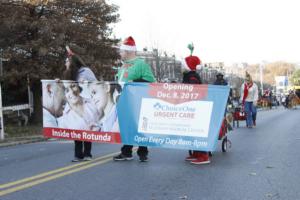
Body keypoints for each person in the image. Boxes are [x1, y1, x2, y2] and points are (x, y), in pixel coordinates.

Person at [113, 36, 156, 162]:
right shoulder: (123, 66)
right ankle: (127, 152)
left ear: (129, 51)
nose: (120, 54)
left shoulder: (141, 64)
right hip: (124, 101)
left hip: (137, 101)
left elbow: (151, 81)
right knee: (127, 127)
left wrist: (134, 82)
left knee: (140, 127)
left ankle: (143, 152)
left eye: (121, 51)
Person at [62, 47, 100, 162]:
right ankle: (78, 155)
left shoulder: (85, 71)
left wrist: (85, 82)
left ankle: (87, 153)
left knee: (87, 128)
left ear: (72, 62)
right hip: (74, 105)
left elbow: (94, 84)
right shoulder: (69, 73)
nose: (65, 63)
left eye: (67, 61)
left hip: (86, 103)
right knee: (77, 129)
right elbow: (67, 86)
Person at [182, 43, 210, 165]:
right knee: (193, 131)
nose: (180, 67)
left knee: (198, 130)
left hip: (196, 108)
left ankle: (203, 155)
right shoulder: (189, 75)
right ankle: (197, 153)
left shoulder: (191, 77)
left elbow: (193, 91)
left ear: (188, 66)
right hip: (192, 107)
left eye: (182, 65)